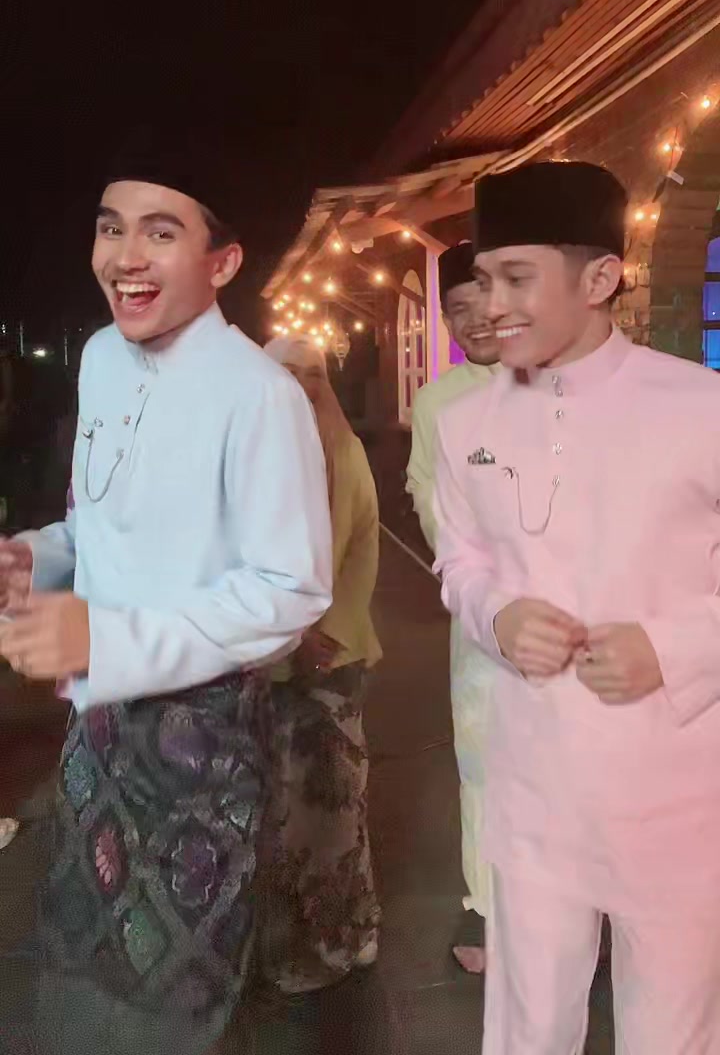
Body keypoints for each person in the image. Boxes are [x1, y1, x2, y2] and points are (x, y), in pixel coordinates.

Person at [0, 132, 333, 1055]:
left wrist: (106, 641)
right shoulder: (102, 357)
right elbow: (97, 521)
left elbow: (291, 588)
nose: (125, 257)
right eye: (111, 228)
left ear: (221, 262)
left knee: (174, 993)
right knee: (77, 962)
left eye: (160, 232)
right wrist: (33, 558)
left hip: (199, 748)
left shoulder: (259, 395)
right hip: (96, 735)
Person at [433, 159, 720, 1054]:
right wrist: (496, 617)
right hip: (533, 780)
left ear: (599, 280)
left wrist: (675, 647)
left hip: (675, 784)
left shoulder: (701, 407)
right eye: (484, 279)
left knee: (671, 1030)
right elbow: (460, 560)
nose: (492, 305)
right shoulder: (463, 424)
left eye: (517, 278)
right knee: (527, 1025)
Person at [259, 334, 381, 994]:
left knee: (331, 805)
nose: (302, 385)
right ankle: (335, 932)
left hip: (330, 659)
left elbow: (358, 549)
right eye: (287, 372)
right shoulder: (254, 454)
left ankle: (340, 941)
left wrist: (322, 634)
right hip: (271, 661)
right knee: (285, 808)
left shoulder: (342, 449)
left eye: (313, 374)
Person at [406, 242, 500, 974]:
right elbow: (425, 492)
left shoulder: (562, 386)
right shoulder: (438, 402)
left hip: (578, 618)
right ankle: (490, 908)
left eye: (483, 302)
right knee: (484, 762)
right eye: (456, 310)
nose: (473, 321)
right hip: (482, 618)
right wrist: (474, 577)